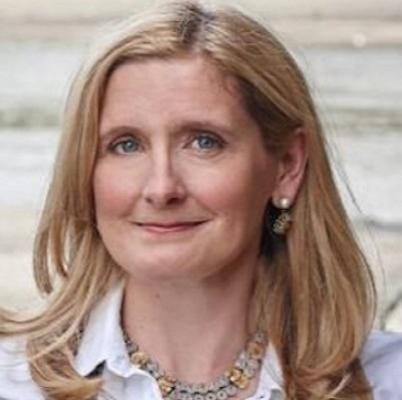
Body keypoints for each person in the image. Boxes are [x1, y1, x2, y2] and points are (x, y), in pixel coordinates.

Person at [1, 1, 402, 399]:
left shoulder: (388, 380)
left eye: (204, 142)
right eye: (126, 145)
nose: (161, 188)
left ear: (287, 165)